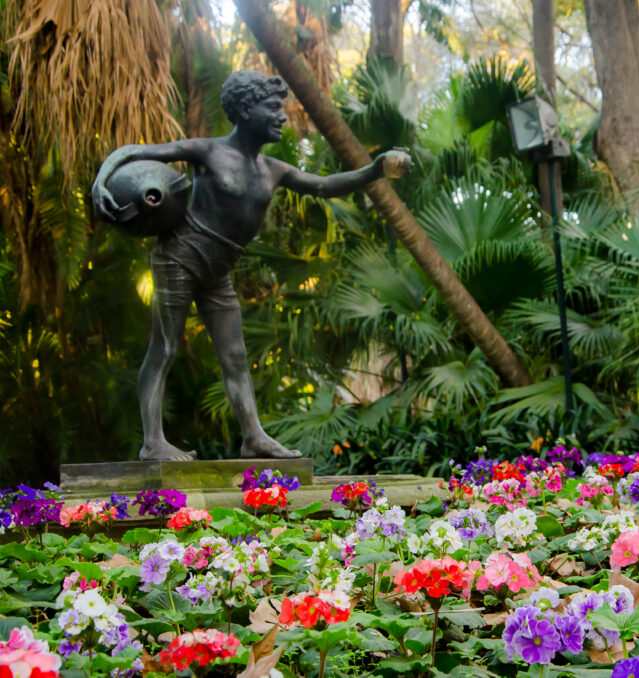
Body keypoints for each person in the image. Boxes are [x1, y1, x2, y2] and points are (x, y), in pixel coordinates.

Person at [92, 70, 412, 461]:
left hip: (218, 270)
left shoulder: (274, 169)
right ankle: (152, 442)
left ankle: (253, 437)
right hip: (180, 256)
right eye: (274, 108)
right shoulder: (207, 151)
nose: (283, 117)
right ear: (246, 109)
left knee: (236, 356)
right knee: (165, 346)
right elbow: (133, 152)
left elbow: (325, 185)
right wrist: (101, 183)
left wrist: (375, 169)